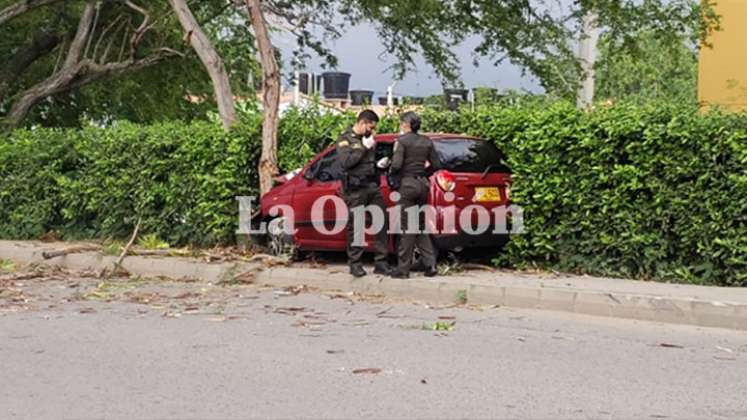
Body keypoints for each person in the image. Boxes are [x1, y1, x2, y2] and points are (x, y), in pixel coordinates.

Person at [336, 110, 392, 278]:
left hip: (372, 186)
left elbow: (367, 165)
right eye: (370, 127)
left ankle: (381, 263)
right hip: (355, 189)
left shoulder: (368, 140)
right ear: (362, 123)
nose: (372, 131)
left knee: (382, 222)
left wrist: (379, 165)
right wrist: (363, 148)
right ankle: (355, 264)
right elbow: (347, 162)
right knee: (357, 226)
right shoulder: (345, 139)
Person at [389, 111, 441, 278]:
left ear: (407, 124)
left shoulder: (401, 142)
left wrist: (390, 170)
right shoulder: (427, 141)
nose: (400, 126)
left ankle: (403, 269)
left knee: (407, 228)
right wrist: (423, 174)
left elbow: (396, 165)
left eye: (401, 123)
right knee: (420, 226)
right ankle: (430, 264)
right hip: (423, 185)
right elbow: (436, 164)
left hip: (408, 185)